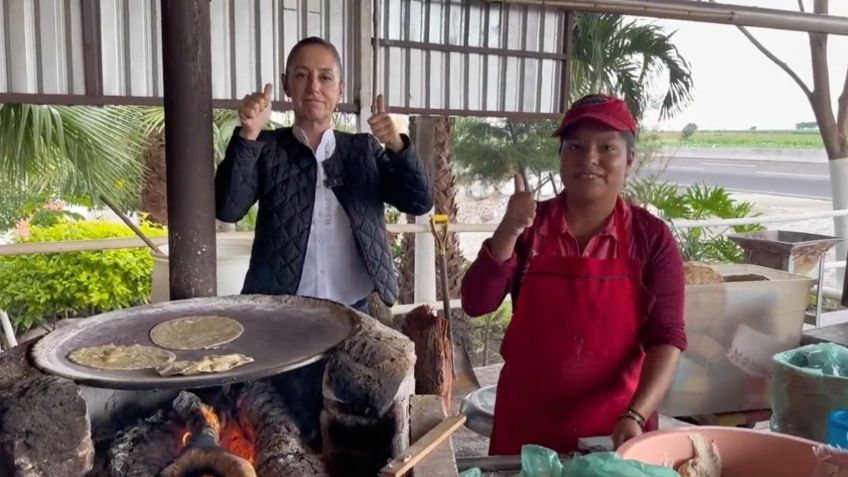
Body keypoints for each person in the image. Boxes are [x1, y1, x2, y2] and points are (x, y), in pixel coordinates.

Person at [460, 94, 687, 454]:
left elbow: (668, 338)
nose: (590, 159)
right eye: (576, 146)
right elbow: (476, 302)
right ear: (562, 156)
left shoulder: (651, 238)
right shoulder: (530, 228)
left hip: (615, 429)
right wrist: (508, 229)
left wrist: (637, 415)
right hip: (527, 424)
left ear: (629, 161)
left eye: (607, 148)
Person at [215, 37, 433, 311]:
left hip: (356, 310)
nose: (314, 87)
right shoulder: (267, 147)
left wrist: (396, 145)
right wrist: (248, 135)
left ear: (340, 90)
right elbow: (227, 209)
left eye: (326, 77)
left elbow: (419, 202)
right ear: (286, 85)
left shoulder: (363, 150)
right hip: (282, 312)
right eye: (302, 75)